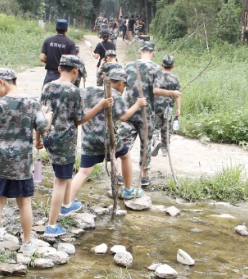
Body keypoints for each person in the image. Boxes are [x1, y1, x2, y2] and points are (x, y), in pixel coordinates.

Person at [37, 55, 113, 237]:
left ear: (58, 69)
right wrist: (100, 106)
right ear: (75, 72)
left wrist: (37, 138)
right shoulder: (73, 91)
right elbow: (79, 120)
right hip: (65, 140)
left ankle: (67, 204)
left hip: (48, 137)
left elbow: (40, 115)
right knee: (60, 181)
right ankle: (52, 225)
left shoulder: (47, 86)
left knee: (65, 173)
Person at [0, 68, 51, 255]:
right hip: (22, 164)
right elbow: (43, 127)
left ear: (1, 81)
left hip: (0, 163)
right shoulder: (32, 103)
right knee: (24, 203)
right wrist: (48, 116)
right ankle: (27, 243)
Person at [65, 69, 147, 204]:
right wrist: (137, 105)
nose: (124, 88)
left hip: (88, 139)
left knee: (83, 172)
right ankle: (128, 190)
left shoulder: (88, 90)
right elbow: (124, 117)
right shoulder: (115, 95)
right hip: (108, 138)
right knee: (125, 156)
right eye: (124, 85)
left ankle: (66, 203)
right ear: (120, 83)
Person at [119, 42, 181, 187]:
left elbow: (122, 86)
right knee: (146, 144)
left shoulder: (128, 65)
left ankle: (120, 175)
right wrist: (172, 93)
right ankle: (144, 176)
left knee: (124, 143)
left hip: (129, 110)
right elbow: (156, 90)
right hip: (146, 113)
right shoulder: (156, 69)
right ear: (153, 52)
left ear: (140, 51)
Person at [152, 55, 181, 158]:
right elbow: (177, 95)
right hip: (168, 107)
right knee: (166, 127)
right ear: (173, 66)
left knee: (155, 126)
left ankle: (155, 141)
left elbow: (154, 91)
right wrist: (178, 108)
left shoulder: (158, 77)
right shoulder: (175, 79)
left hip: (156, 106)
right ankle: (165, 149)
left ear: (162, 64)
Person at [39, 19, 77, 86]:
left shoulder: (48, 41)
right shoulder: (70, 43)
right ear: (66, 29)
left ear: (56, 28)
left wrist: (49, 61)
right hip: (64, 76)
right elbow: (73, 60)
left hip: (50, 75)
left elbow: (41, 58)